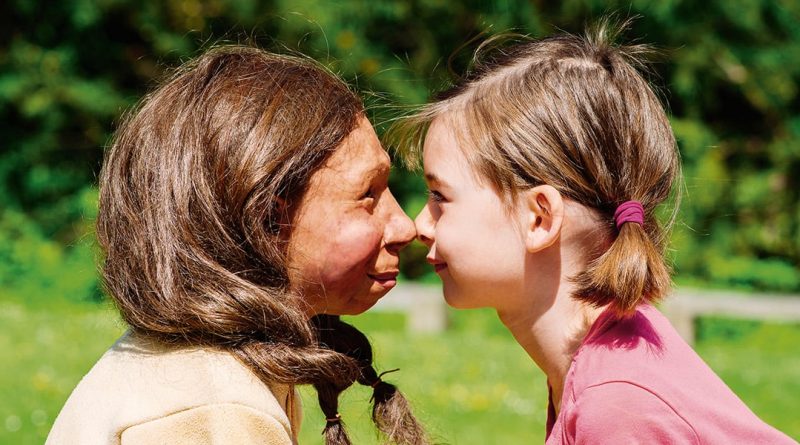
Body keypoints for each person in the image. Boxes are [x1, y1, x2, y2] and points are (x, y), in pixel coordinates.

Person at [394, 21, 796, 444]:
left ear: (539, 218)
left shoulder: (617, 406)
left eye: (440, 196)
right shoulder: (606, 367)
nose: (419, 225)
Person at [46, 46, 429, 445]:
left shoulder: (212, 374)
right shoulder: (214, 407)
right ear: (267, 218)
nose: (404, 226)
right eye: (368, 193)